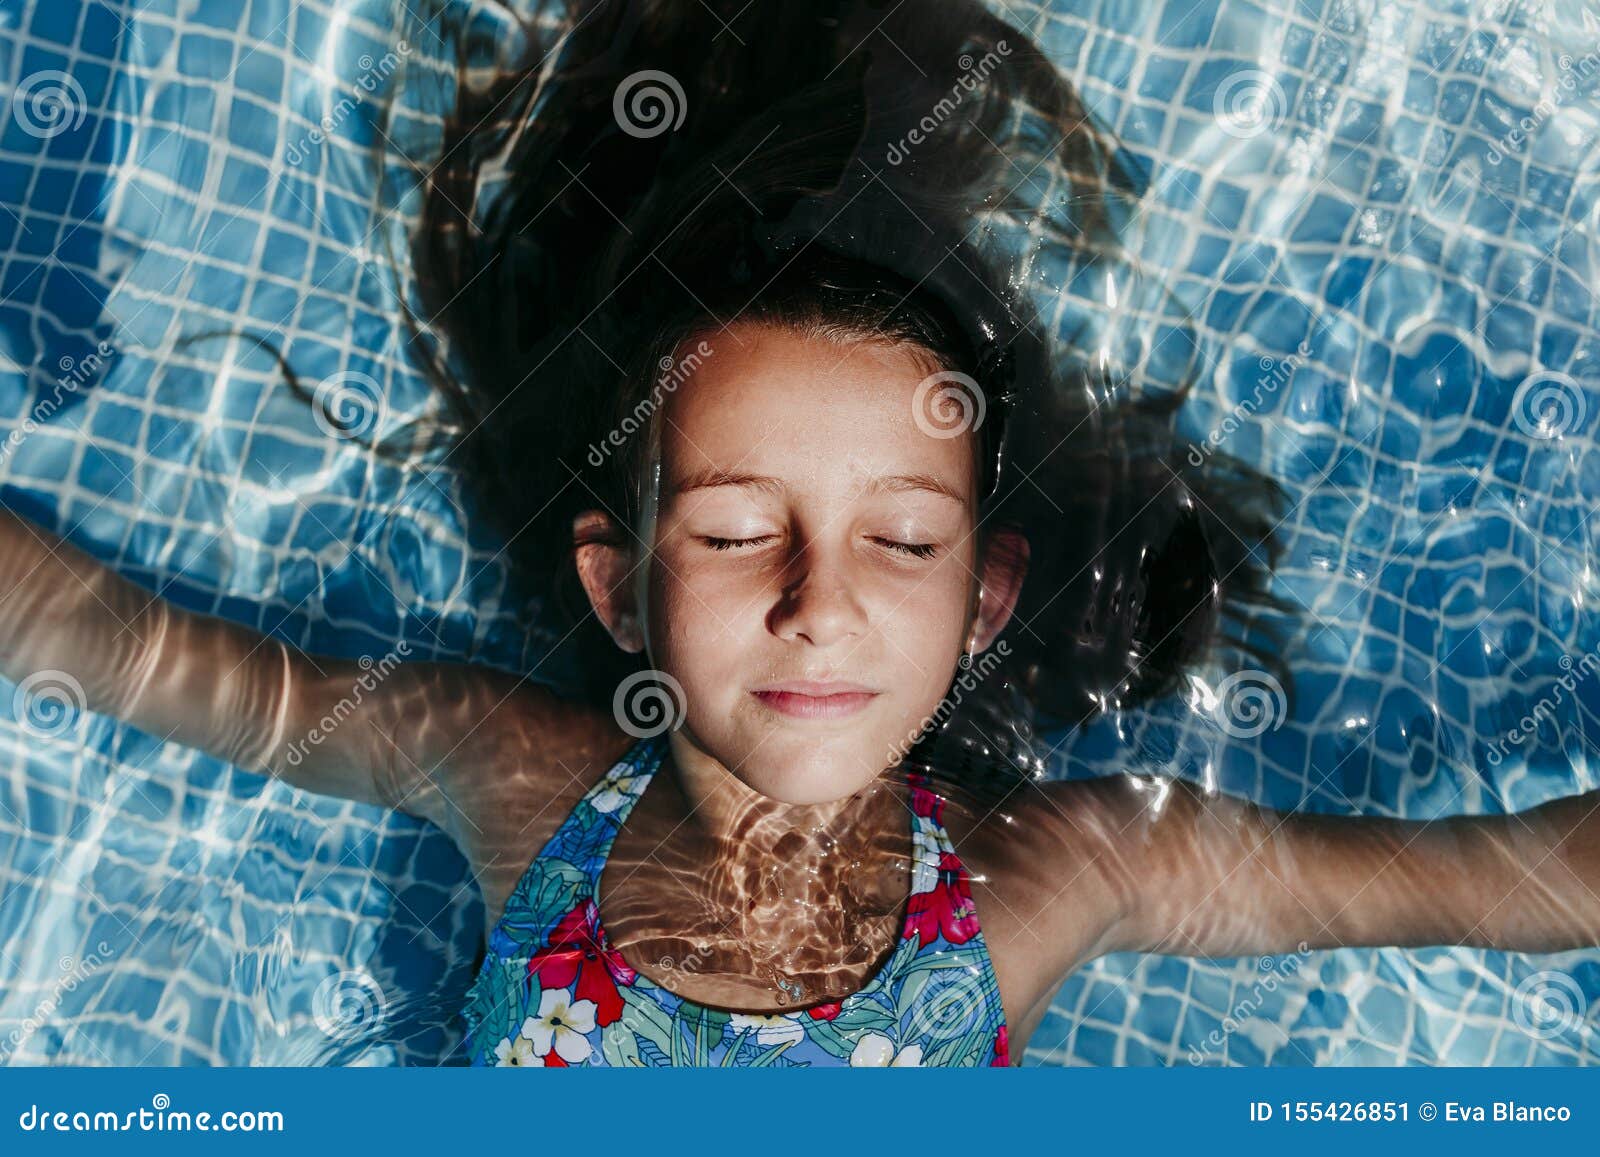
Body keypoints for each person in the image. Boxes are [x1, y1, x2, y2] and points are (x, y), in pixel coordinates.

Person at [0, 0, 1593, 1067]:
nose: (819, 606)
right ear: (618, 585)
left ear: (985, 598)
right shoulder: (509, 775)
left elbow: (1499, 882)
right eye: (737, 530)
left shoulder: (1054, 874)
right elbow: (111, 642)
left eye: (903, 543)